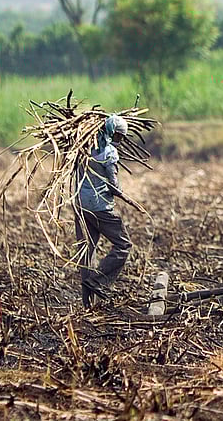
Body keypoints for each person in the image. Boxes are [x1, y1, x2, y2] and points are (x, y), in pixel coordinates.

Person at [74, 115, 133, 308]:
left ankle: (88, 305)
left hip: (80, 205)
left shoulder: (83, 147)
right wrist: (125, 196)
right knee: (123, 245)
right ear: (111, 132)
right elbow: (113, 185)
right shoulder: (109, 153)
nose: (120, 140)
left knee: (87, 250)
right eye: (119, 136)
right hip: (100, 208)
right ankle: (98, 281)